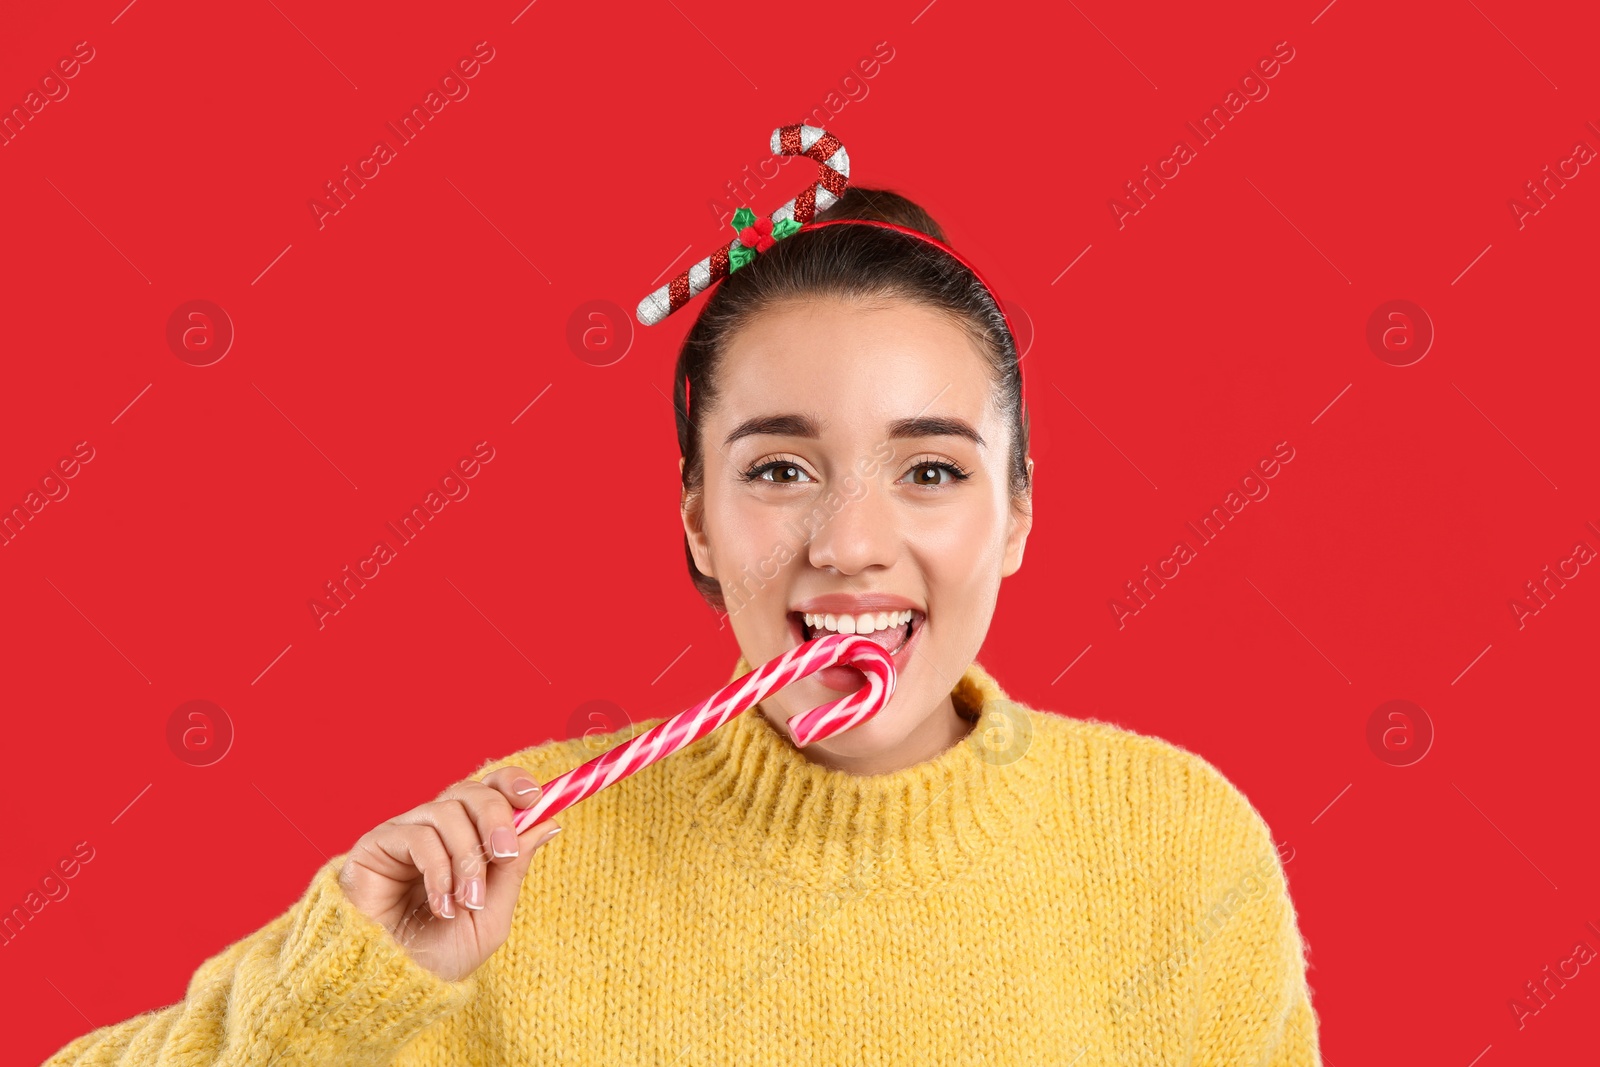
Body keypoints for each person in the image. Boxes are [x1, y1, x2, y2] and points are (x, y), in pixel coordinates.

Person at [42, 183, 1322, 1065]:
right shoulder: (509, 855)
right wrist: (348, 983)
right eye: (779, 469)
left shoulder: (1173, 844)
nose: (850, 541)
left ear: (1019, 516)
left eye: (929, 470)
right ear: (699, 523)